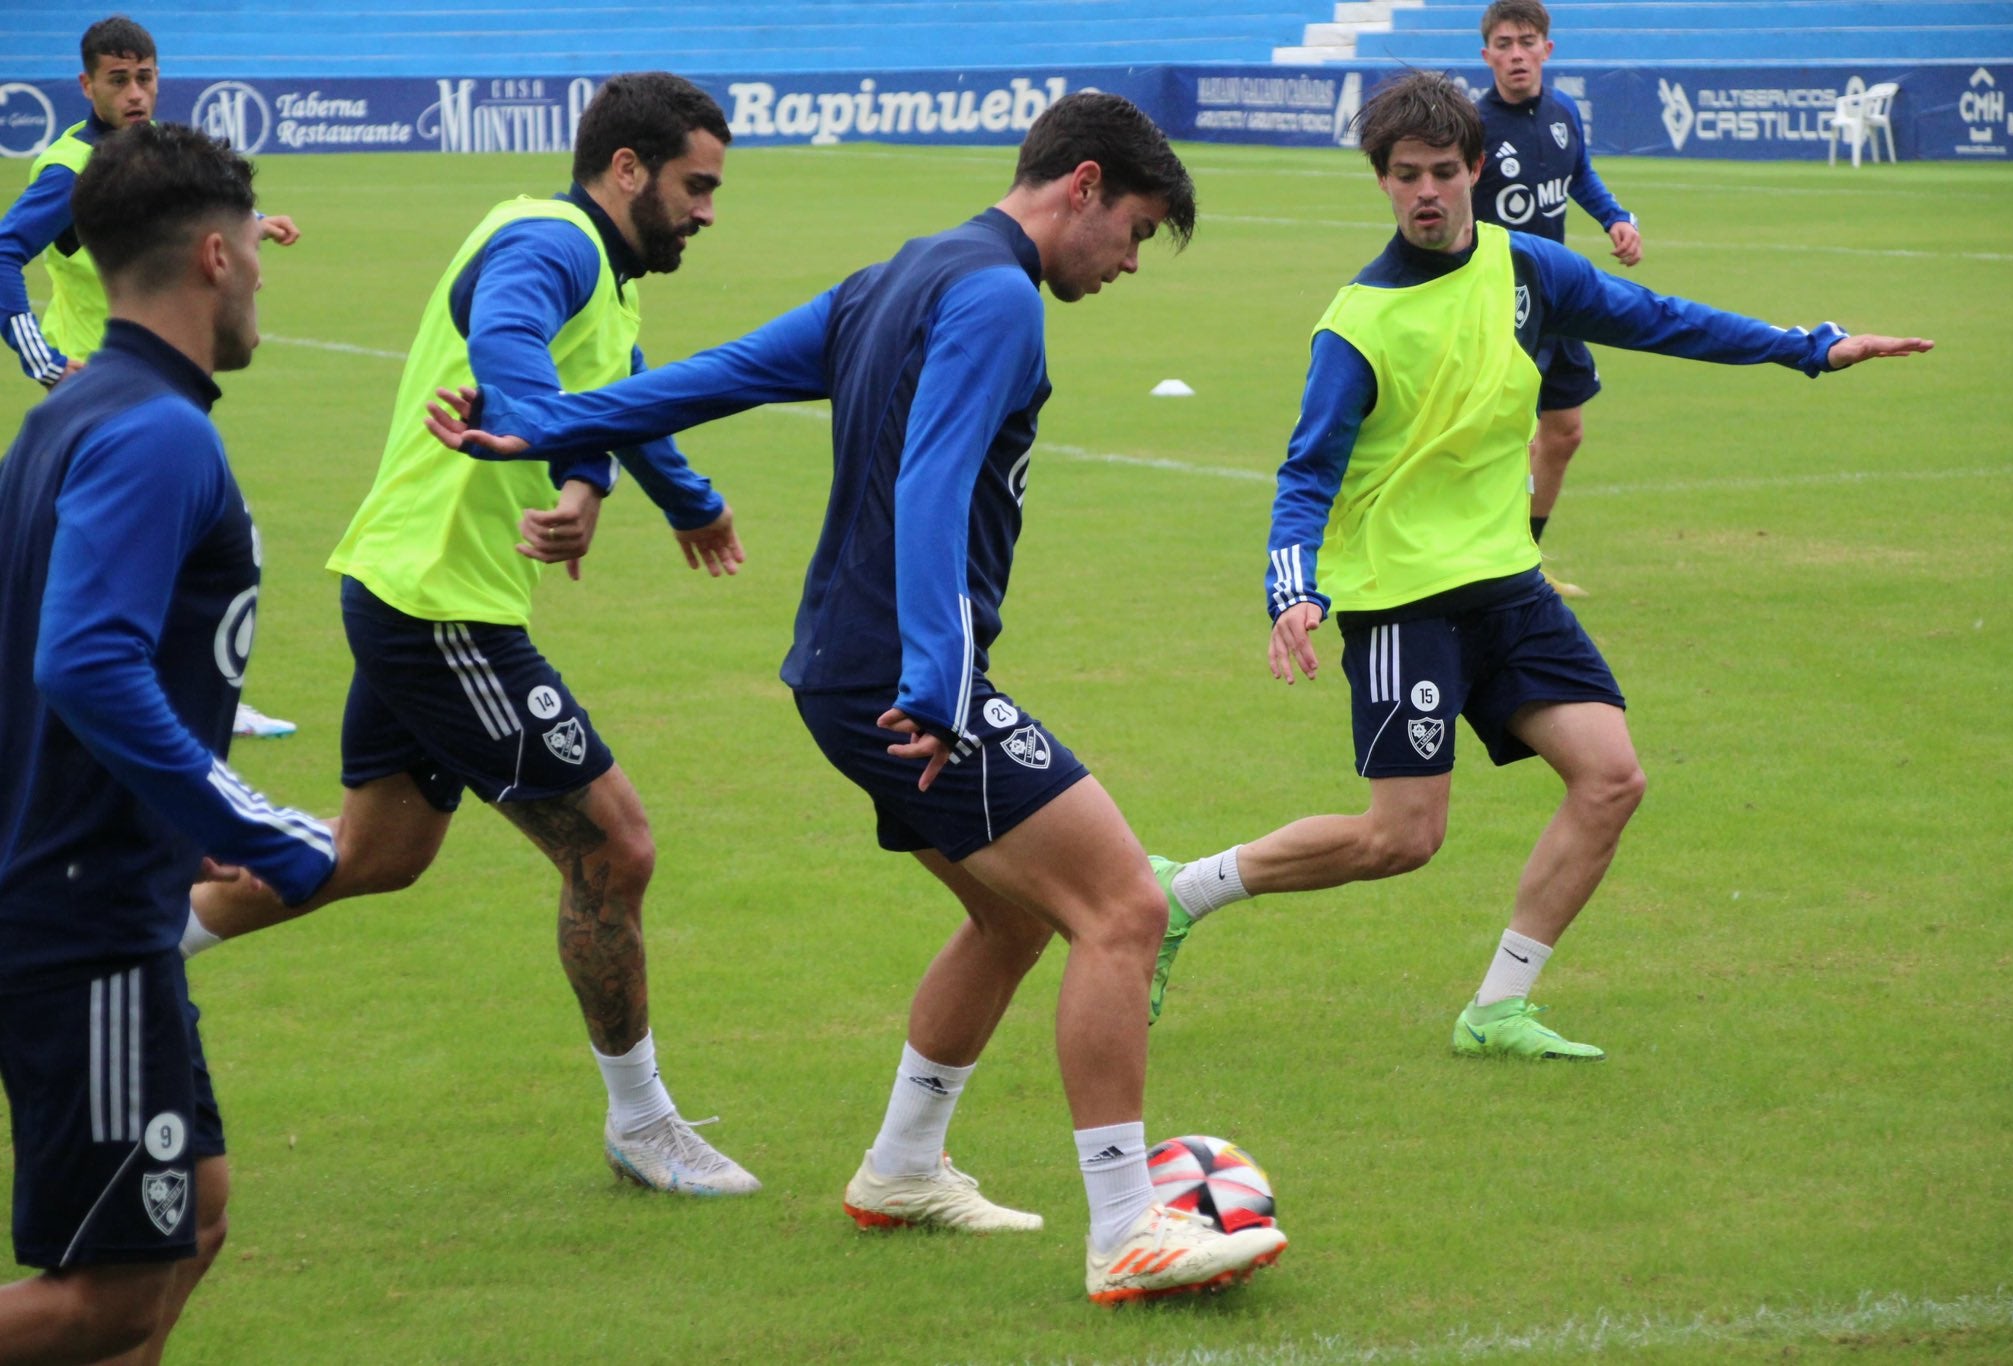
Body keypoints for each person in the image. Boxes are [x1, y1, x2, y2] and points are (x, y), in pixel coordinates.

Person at [425, 92, 1290, 1304]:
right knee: (1123, 906)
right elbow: (935, 483)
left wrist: (545, 426)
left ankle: (900, 1167)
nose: (1130, 261)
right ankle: (1127, 1227)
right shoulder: (994, 297)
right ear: (1082, 186)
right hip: (901, 683)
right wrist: (938, 687)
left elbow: (716, 375)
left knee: (1015, 916)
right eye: (1135, 229)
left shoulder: (894, 276)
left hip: (845, 673)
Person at [1145, 72, 1930, 1058]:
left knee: (1610, 778)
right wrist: (1291, 590)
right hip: (1400, 600)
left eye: (1441, 170)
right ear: (1380, 184)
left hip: (1504, 584)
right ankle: (1179, 892)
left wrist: (1805, 349)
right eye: (1403, 176)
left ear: (1475, 168)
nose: (1424, 190)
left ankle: (1496, 1008)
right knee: (1402, 838)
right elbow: (1305, 475)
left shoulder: (1527, 273)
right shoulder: (1354, 326)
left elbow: (1659, 318)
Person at [181, 72, 759, 1198]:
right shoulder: (553, 242)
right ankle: (642, 1122)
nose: (706, 210)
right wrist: (550, 435)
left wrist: (662, 493)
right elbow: (511, 338)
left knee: (379, 852)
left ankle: (128, 951)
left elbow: (613, 390)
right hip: (442, 605)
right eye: (695, 185)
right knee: (616, 847)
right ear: (626, 169)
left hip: (418, 586)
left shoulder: (602, 268)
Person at [0, 122, 336, 1366]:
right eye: (254, 249)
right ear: (212, 255)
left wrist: (174, 840)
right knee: (113, 1294)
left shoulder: (75, 415)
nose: (261, 274)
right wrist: (255, 827)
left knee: (188, 1217)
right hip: (77, 917)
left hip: (107, 890)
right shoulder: (155, 433)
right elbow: (82, 660)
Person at [1, 16, 301, 390]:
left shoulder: (157, 145)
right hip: (95, 374)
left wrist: (253, 220)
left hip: (164, 361)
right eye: (118, 80)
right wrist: (44, 361)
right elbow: (4, 252)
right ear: (87, 85)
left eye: (144, 78)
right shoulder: (70, 172)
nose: (135, 94)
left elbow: (192, 204)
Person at [1471, 0, 1640, 597]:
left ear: (1548, 48)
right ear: (1486, 53)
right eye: (1505, 43)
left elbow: (1578, 175)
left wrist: (1615, 219)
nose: (1517, 53)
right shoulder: (1473, 126)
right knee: (1496, 439)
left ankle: (1524, 560)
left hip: (1559, 299)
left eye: (1527, 40)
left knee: (1563, 432)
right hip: (1497, 305)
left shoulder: (1564, 111)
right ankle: (1482, 563)